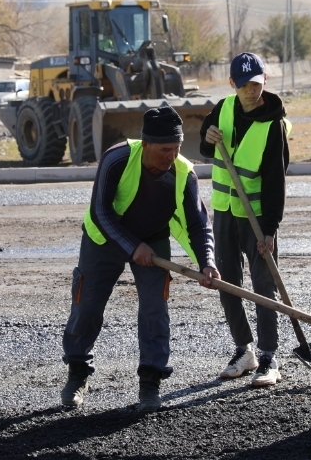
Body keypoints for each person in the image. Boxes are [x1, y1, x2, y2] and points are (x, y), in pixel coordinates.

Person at [61, 105, 220, 412]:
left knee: (154, 308)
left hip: (154, 238)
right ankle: (77, 373)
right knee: (87, 305)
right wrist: (133, 247)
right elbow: (100, 212)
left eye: (175, 149)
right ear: (146, 144)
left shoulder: (184, 173)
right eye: (164, 150)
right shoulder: (117, 158)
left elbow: (199, 224)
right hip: (105, 237)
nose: (170, 157)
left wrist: (208, 263)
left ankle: (150, 382)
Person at [200, 52, 291, 388]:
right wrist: (207, 139)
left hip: (257, 218)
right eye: (244, 85)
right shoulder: (222, 109)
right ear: (232, 84)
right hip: (224, 210)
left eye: (256, 83)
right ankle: (245, 351)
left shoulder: (273, 124)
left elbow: (276, 181)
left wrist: (270, 229)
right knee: (227, 283)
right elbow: (205, 149)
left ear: (265, 80)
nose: (251, 90)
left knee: (264, 287)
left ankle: (269, 356)